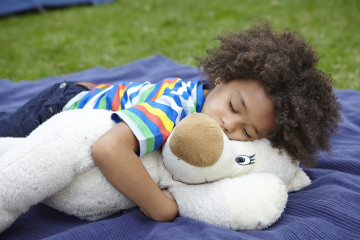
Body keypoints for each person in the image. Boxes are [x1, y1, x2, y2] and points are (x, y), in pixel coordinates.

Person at [0, 22, 342, 222]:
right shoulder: (176, 109)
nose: (228, 126)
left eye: (248, 132)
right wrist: (160, 207)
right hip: (56, 109)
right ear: (222, 77)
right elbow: (108, 148)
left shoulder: (221, 123)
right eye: (234, 106)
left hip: (100, 94)